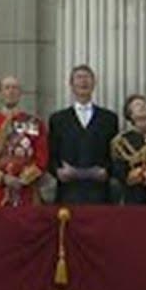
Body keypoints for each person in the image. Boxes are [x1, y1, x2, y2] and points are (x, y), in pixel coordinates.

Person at [48, 65, 119, 205]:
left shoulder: (109, 118)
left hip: (100, 192)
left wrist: (107, 171)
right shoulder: (58, 119)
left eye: (87, 77)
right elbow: (52, 152)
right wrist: (57, 171)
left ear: (94, 83)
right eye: (79, 77)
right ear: (71, 84)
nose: (83, 81)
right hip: (68, 191)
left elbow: (115, 153)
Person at [0, 75, 48, 207]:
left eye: (15, 88)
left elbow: (41, 158)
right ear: (0, 93)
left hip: (26, 193)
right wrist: (3, 178)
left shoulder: (34, 123)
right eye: (7, 88)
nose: (11, 91)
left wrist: (23, 179)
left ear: (20, 93)